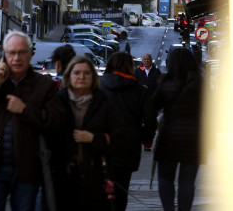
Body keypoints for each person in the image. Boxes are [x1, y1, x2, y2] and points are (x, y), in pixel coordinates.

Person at [0, 30, 66, 211]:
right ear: (5, 55)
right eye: (11, 52)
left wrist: (25, 110)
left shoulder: (43, 85)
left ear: (30, 54)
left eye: (21, 52)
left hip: (28, 166)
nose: (16, 58)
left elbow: (56, 121)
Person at [53, 55, 125, 211]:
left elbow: (120, 136)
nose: (81, 77)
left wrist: (94, 138)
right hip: (63, 177)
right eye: (77, 72)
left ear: (93, 77)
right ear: (69, 76)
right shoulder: (58, 101)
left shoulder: (103, 103)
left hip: (95, 176)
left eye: (87, 73)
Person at [101, 51, 155, 211]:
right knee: (122, 188)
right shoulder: (139, 90)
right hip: (129, 144)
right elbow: (151, 118)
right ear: (130, 67)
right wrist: (146, 139)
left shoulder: (99, 86)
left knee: (101, 187)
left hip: (103, 142)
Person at [153, 47, 203, 211]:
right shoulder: (200, 83)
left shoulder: (166, 82)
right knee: (187, 182)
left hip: (169, 137)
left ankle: (168, 208)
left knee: (165, 179)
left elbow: (152, 107)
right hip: (194, 139)